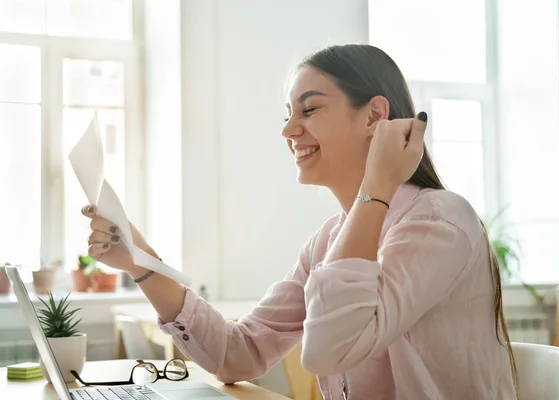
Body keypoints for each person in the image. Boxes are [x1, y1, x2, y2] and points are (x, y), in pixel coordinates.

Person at [82, 44, 517, 399]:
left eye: (308, 110)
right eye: (287, 114)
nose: (288, 130)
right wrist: (141, 261)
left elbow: (332, 350)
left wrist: (378, 185)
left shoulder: (439, 222)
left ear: (373, 116)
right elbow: (238, 354)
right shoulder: (329, 240)